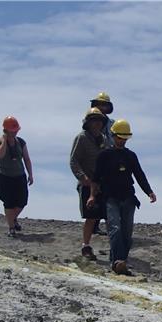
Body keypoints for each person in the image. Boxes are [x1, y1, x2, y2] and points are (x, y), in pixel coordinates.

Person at [87, 119, 156, 275]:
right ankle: (117, 261)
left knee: (126, 232)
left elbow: (139, 175)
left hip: (128, 198)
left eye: (125, 138)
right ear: (113, 136)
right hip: (110, 197)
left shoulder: (131, 156)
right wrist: (92, 196)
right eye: (119, 137)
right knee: (115, 229)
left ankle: (120, 261)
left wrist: (149, 191)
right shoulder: (104, 155)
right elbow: (96, 178)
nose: (122, 141)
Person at [69, 108, 108, 260]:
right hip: (87, 184)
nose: (97, 123)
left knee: (107, 215)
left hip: (103, 184)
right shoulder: (81, 138)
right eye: (94, 120)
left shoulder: (104, 139)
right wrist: (83, 178)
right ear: (88, 122)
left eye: (100, 120)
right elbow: (74, 161)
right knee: (91, 216)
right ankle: (86, 245)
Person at [0, 116, 34, 237]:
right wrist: (5, 141)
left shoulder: (21, 142)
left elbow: (26, 159)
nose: (15, 132)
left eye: (16, 129)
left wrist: (30, 174)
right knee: (9, 203)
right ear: (6, 130)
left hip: (19, 176)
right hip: (4, 177)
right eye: (13, 130)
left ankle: (12, 218)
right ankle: (11, 227)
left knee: (22, 201)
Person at [89, 92, 115, 236]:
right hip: (94, 163)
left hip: (109, 162)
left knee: (107, 193)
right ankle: (94, 224)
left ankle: (107, 224)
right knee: (95, 193)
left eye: (103, 104)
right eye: (99, 104)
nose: (101, 107)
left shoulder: (112, 124)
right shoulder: (88, 122)